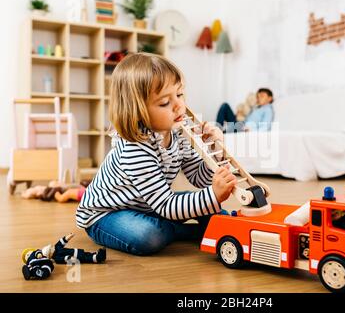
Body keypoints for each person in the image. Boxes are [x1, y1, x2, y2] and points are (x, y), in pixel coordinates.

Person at [76, 53, 236, 256]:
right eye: (164, 103)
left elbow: (199, 177)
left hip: (150, 204)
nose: (179, 105)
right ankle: (182, 230)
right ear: (138, 112)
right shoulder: (135, 148)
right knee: (148, 236)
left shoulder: (179, 129)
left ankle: (184, 223)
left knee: (211, 209)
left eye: (179, 95)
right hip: (107, 214)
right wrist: (212, 196)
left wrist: (215, 150)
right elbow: (166, 204)